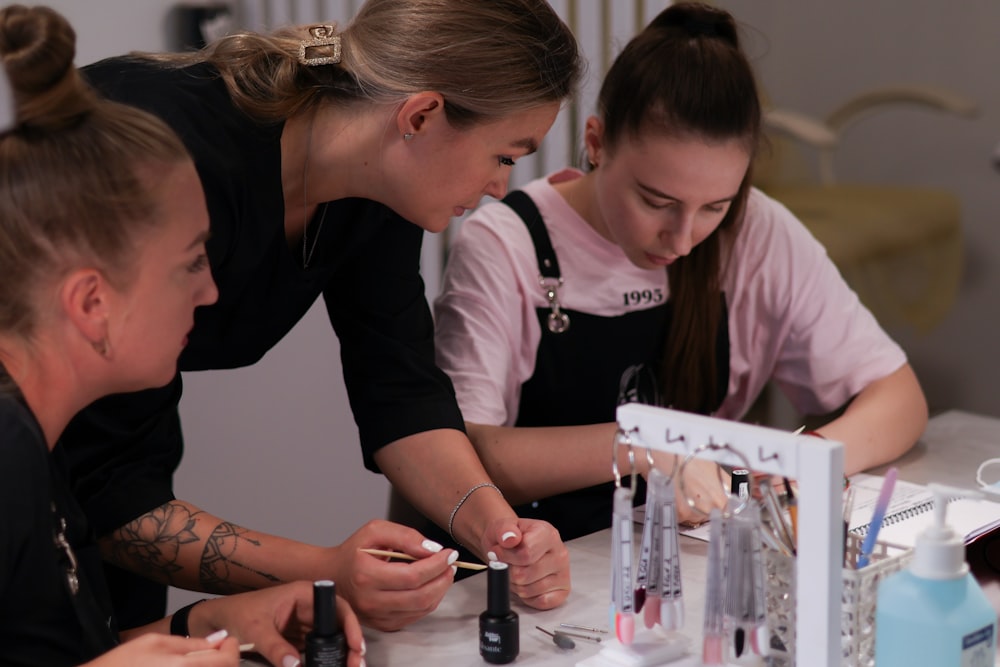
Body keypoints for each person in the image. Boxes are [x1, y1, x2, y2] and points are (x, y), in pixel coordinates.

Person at [60, 0, 583, 632]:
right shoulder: (164, 157)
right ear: (421, 115)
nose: (503, 187)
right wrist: (327, 570)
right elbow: (109, 491)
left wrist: (497, 528)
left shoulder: (379, 187)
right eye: (505, 155)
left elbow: (403, 390)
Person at [432, 1, 929, 545]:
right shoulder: (508, 244)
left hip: (690, 555)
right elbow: (468, 453)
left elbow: (898, 398)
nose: (685, 235)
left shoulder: (756, 230)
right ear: (596, 144)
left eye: (715, 206)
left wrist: (803, 458)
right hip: (543, 558)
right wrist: (651, 446)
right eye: (655, 200)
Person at [0, 5, 364, 667]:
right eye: (192, 261)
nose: (211, 291)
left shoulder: (42, 450)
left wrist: (208, 621)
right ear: (92, 302)